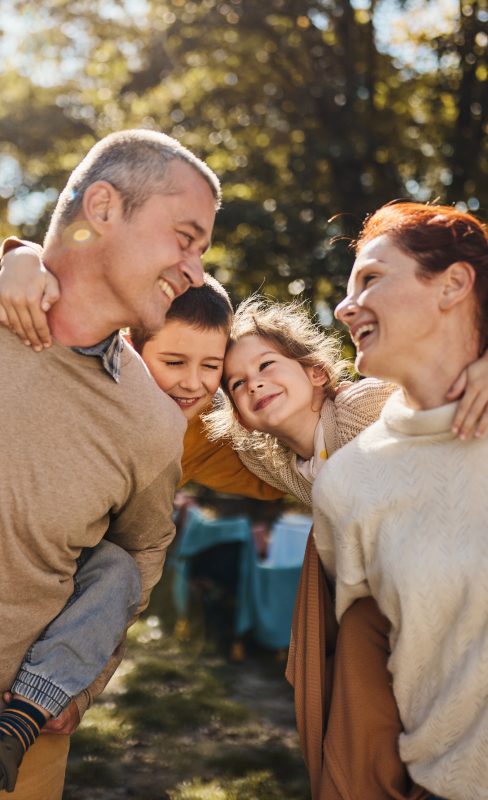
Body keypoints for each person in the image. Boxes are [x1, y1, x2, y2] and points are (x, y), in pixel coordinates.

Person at [3, 256, 488, 800]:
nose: (201, 383)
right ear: (131, 350)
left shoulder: (339, 414)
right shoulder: (254, 448)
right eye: (235, 381)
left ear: (315, 371)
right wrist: (18, 256)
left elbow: (427, 398)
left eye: (214, 370)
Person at [0, 127, 220, 799]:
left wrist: (81, 683)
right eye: (185, 238)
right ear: (102, 208)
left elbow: (141, 553)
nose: (196, 270)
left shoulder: (153, 422)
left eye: (203, 251)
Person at [313, 202, 488, 800]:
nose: (343, 306)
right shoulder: (350, 484)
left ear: (454, 284)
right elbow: (365, 655)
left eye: (370, 278)